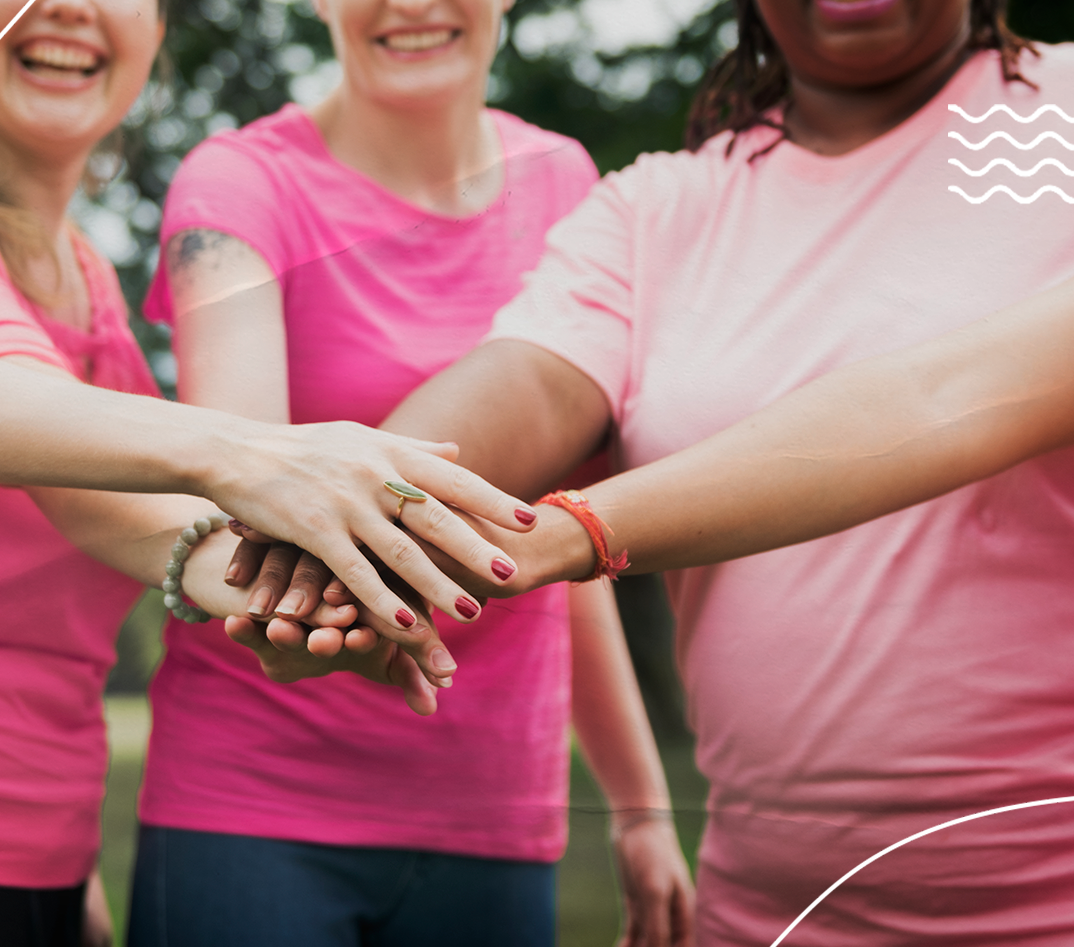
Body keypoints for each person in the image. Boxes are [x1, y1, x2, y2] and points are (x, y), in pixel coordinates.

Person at [0, 1, 533, 944]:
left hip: (35, 848)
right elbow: (49, 454)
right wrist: (260, 484)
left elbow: (104, 531)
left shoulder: (88, 272)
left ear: (157, 28)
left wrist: (288, 583)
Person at [246, 1, 1074, 943]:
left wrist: (568, 533)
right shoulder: (660, 207)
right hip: (763, 913)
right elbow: (527, 382)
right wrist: (346, 542)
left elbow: (945, 400)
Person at [132, 0, 694, 940]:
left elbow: (553, 533)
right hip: (252, 801)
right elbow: (238, 472)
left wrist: (638, 802)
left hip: (493, 808)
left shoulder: (564, 182)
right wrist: (309, 610)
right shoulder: (236, 184)